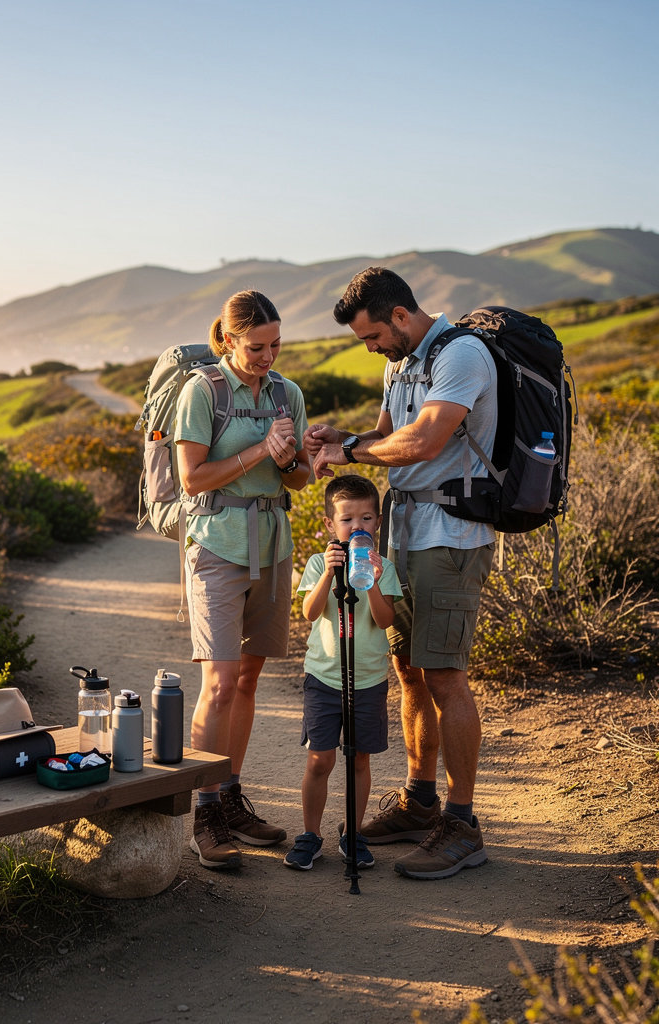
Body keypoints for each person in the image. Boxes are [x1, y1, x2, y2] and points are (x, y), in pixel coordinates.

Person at [302, 266, 495, 880]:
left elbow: (427, 439)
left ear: (401, 317)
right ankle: (419, 803)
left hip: (451, 533)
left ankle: (463, 825)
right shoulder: (399, 363)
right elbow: (389, 433)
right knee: (411, 670)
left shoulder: (462, 353)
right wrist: (347, 437)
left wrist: (354, 453)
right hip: (405, 534)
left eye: (373, 337)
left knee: (445, 675)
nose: (371, 348)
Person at [175, 289, 310, 870]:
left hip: (273, 545)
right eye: (256, 346)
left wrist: (288, 460)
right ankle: (204, 812)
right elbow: (192, 479)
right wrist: (261, 450)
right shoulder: (202, 392)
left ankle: (230, 795)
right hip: (216, 548)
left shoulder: (288, 393)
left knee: (251, 681)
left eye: (276, 344)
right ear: (228, 340)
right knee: (222, 683)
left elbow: (301, 478)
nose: (268, 355)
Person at [284, 474, 401, 871]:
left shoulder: (385, 567)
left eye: (366, 519)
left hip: (368, 680)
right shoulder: (319, 562)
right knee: (320, 759)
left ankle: (353, 833)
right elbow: (309, 612)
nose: (357, 527)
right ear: (329, 526)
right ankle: (310, 834)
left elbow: (386, 618)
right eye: (347, 520)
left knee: (359, 760)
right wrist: (328, 576)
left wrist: (368, 580)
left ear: (378, 523)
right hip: (324, 679)